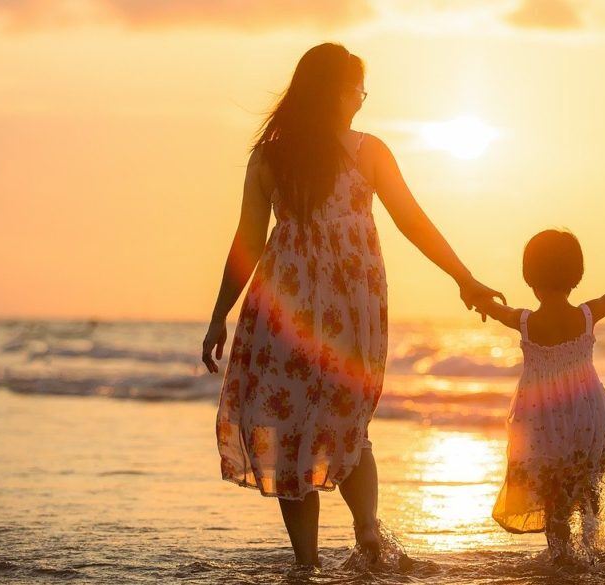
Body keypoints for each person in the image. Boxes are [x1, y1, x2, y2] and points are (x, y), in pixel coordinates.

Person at [200, 43, 503, 567]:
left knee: (287, 425)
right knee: (346, 421)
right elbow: (412, 220)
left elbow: (247, 242)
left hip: (283, 308)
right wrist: (464, 279)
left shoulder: (270, 155)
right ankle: (367, 533)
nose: (362, 99)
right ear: (337, 91)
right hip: (350, 305)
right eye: (358, 87)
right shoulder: (366, 151)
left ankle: (306, 563)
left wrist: (219, 315)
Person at [472, 229, 605, 561]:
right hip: (587, 412)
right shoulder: (586, 315)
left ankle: (562, 557)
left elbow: (494, 308)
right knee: (587, 484)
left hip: (543, 417)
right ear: (576, 275)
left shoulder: (525, 321)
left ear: (529, 277)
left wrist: (475, 297)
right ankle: (590, 551)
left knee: (554, 492)